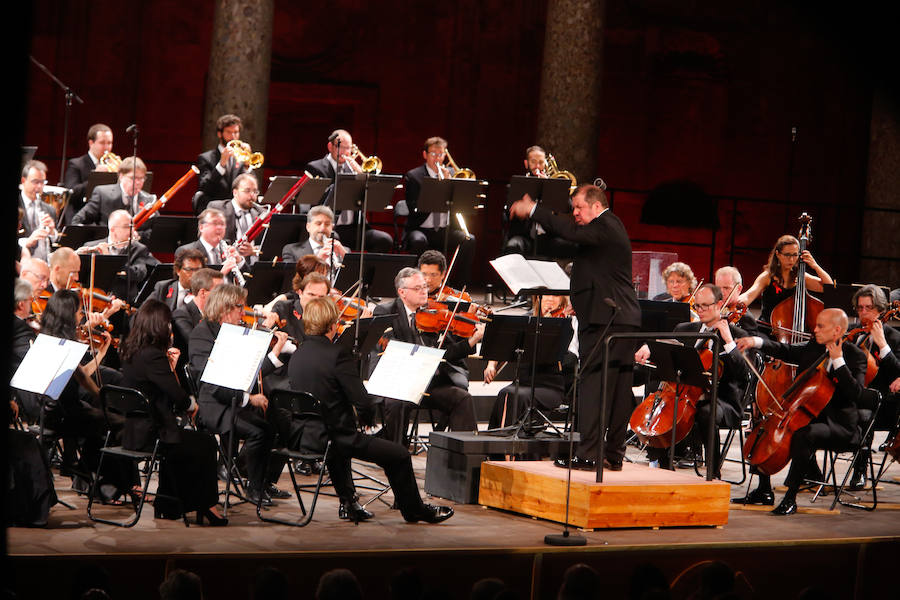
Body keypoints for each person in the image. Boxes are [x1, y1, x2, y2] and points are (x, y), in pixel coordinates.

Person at [509, 183, 642, 471]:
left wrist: (533, 210)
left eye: (580, 208)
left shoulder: (606, 225)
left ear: (596, 206)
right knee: (618, 389)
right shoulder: (605, 229)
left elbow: (569, 232)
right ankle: (612, 454)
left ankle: (588, 455)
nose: (576, 214)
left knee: (594, 386)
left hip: (606, 320)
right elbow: (585, 257)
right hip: (617, 316)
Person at [288, 296, 455, 524]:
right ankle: (414, 509)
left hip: (304, 436)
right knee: (399, 455)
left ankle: (349, 503)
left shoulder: (298, 354)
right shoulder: (337, 355)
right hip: (335, 439)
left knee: (342, 447)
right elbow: (363, 402)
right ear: (332, 324)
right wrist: (366, 417)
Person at [736, 308, 866, 515]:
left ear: (837, 330)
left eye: (820, 326)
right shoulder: (815, 346)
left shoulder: (855, 356)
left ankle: (790, 499)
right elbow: (786, 351)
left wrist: (839, 361)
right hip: (805, 415)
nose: (814, 330)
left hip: (839, 425)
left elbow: (857, 394)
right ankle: (763, 490)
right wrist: (755, 342)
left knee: (804, 435)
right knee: (763, 427)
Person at [188, 284, 298, 505]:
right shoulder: (202, 336)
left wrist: (274, 353)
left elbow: (249, 371)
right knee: (260, 431)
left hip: (231, 400)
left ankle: (260, 481)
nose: (244, 312)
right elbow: (214, 384)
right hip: (214, 404)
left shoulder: (234, 331)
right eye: (240, 307)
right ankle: (254, 488)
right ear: (224, 308)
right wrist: (248, 399)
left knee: (279, 422)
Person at [118, 299, 225, 525]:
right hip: (153, 435)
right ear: (159, 325)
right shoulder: (153, 356)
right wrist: (194, 407)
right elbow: (177, 395)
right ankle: (205, 504)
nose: (170, 328)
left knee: (188, 442)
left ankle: (169, 505)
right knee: (205, 443)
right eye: (167, 324)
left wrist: (169, 368)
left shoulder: (130, 350)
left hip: (133, 432)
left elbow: (157, 388)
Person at [643, 284, 749, 477]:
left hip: (722, 400)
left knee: (706, 413)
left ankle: (713, 472)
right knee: (661, 407)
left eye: (705, 306)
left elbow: (744, 374)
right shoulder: (685, 328)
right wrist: (650, 348)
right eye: (697, 306)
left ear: (719, 304)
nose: (699, 311)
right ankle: (663, 467)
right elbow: (668, 353)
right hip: (685, 394)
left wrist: (727, 340)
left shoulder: (736, 335)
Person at [372, 267, 481, 444]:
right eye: (418, 288)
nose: (424, 291)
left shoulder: (434, 314)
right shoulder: (386, 312)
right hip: (401, 384)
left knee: (462, 398)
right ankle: (396, 455)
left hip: (429, 383)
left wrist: (471, 341)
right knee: (396, 404)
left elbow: (446, 353)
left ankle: (465, 460)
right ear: (402, 292)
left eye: (424, 287)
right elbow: (390, 350)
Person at [483, 294, 577, 429]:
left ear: (562, 301)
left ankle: (507, 443)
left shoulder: (566, 324)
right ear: (539, 299)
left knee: (514, 395)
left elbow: (571, 358)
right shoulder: (528, 322)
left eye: (556, 296)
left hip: (551, 388)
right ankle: (498, 443)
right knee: (506, 393)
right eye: (546, 296)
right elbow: (504, 342)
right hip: (523, 382)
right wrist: (491, 365)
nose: (550, 299)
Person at [402, 136, 476, 287]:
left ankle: (456, 287)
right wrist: (438, 189)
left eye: (441, 154)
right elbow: (413, 209)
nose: (437, 158)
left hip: (445, 229)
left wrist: (450, 184)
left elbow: (462, 204)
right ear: (425, 155)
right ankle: (418, 285)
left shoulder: (452, 174)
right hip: (421, 227)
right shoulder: (414, 176)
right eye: (433, 154)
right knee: (418, 241)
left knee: (469, 239)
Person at [304, 129, 394, 253]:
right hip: (331, 226)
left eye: (349, 148)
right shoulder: (316, 167)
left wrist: (361, 174)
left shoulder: (353, 168)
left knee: (384, 240)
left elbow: (372, 192)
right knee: (335, 239)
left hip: (355, 226)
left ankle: (365, 272)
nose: (346, 152)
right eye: (341, 147)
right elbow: (320, 199)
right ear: (330, 146)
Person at [737, 233, 834, 335]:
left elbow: (829, 287)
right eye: (787, 255)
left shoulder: (800, 276)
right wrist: (735, 302)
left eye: (795, 255)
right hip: (769, 331)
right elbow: (749, 295)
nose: (791, 259)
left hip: (794, 332)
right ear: (778, 254)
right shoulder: (767, 277)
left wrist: (815, 266)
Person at [502, 145, 577, 259]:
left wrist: (551, 187)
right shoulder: (517, 186)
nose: (537, 166)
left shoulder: (554, 186)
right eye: (533, 162)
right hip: (524, 237)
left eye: (541, 162)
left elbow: (568, 208)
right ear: (526, 163)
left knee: (574, 246)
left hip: (548, 238)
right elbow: (507, 215)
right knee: (513, 245)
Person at [76, 209, 159, 302]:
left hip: (123, 304)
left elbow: (139, 274)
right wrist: (77, 257)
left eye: (132, 226)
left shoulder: (139, 249)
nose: (132, 230)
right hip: (95, 301)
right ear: (112, 229)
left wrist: (109, 259)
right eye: (127, 227)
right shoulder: (90, 246)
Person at [72, 156, 155, 234]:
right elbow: (78, 220)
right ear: (121, 176)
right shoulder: (103, 194)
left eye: (141, 178)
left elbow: (154, 230)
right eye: (133, 178)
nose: (138, 183)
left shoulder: (149, 200)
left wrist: (139, 236)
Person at [193, 113, 248, 214]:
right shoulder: (206, 158)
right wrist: (221, 164)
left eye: (236, 132)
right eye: (229, 132)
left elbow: (248, 186)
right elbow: (205, 188)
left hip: (236, 211)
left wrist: (247, 165)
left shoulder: (241, 158)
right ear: (220, 134)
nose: (233, 136)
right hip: (213, 210)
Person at [174, 207, 245, 284]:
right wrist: (221, 274)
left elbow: (249, 278)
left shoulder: (228, 248)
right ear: (201, 227)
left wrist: (239, 261)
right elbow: (189, 284)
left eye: (222, 224)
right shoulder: (187, 251)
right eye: (215, 223)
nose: (219, 227)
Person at [62, 123, 115, 223]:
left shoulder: (111, 165)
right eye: (102, 143)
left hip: (105, 218)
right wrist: (96, 176)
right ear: (91, 143)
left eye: (109, 143)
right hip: (81, 216)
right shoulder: (76, 164)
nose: (107, 147)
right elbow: (71, 193)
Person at [207, 172, 263, 260]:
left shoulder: (262, 213)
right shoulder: (218, 209)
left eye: (255, 192)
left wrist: (253, 251)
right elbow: (210, 239)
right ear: (235, 192)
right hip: (227, 264)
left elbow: (271, 244)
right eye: (247, 191)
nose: (252, 195)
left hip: (255, 268)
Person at [171, 267, 224, 361]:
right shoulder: (181, 315)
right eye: (219, 292)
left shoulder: (217, 314)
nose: (223, 297)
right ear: (203, 293)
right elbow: (197, 344)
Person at [18, 160, 60, 262]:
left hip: (44, 263)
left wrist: (52, 231)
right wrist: (27, 242)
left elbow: (56, 241)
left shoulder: (49, 209)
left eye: (42, 182)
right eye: (35, 182)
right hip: (22, 262)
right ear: (23, 181)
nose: (40, 187)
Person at [281, 205, 348, 269]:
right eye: (318, 223)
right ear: (308, 227)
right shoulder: (292, 251)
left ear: (332, 227)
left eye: (327, 224)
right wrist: (318, 260)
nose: (322, 228)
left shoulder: (345, 251)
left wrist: (346, 256)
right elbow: (293, 278)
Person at [715, 265, 759, 335]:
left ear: (739, 289)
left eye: (726, 288)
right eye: (718, 288)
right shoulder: (715, 310)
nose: (721, 293)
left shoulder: (745, 318)